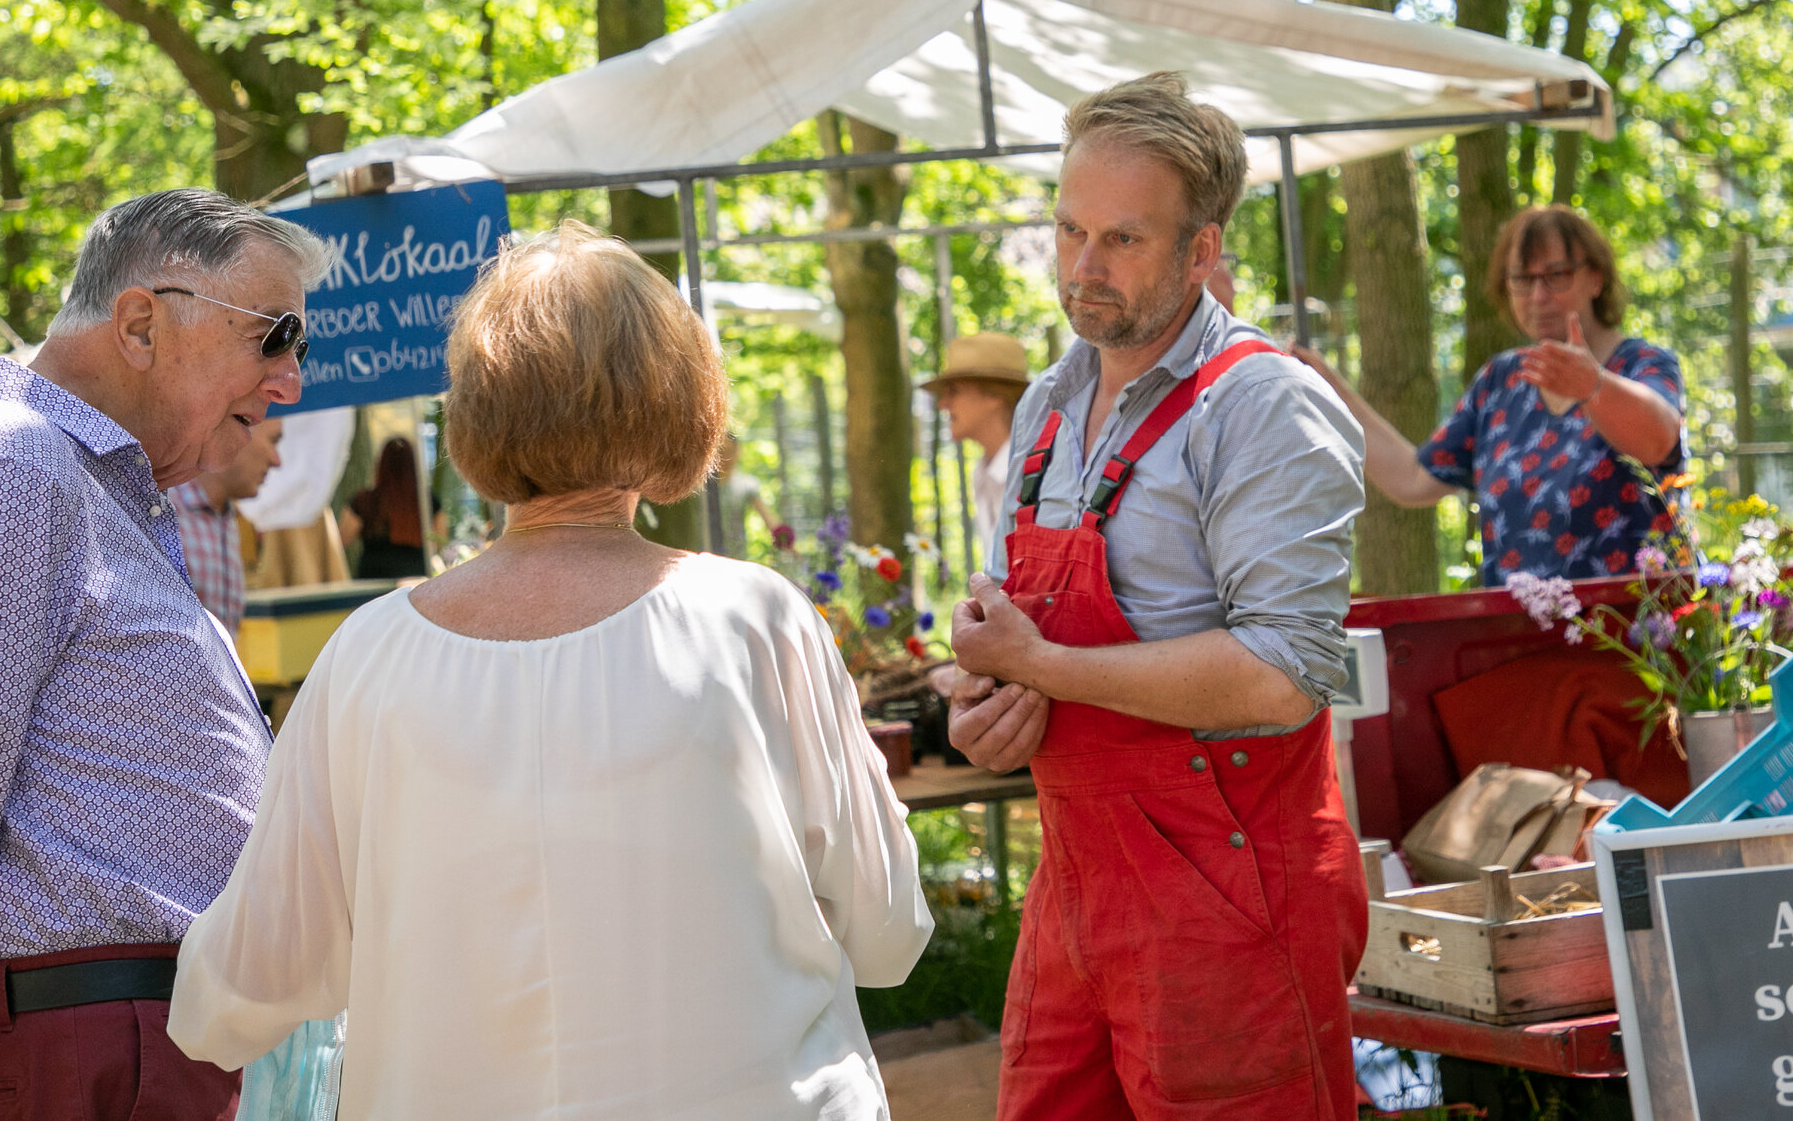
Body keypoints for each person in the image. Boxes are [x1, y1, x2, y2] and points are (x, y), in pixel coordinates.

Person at [168, 220, 932, 1120]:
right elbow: (887, 930)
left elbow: (246, 984)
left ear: (476, 409)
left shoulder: (366, 660)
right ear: (684, 400)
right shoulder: (755, 621)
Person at [0, 188, 325, 1121]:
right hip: (84, 1052)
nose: (289, 381)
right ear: (141, 323)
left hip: (120, 1046)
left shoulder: (63, 482)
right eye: (274, 336)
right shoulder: (13, 468)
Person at [948, 72, 1370, 1121]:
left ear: (1202, 249)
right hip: (1074, 890)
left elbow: (1281, 676)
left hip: (1231, 901)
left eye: (1123, 240)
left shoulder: (1263, 405)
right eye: (1068, 230)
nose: (1083, 269)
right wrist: (991, 706)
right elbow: (1021, 643)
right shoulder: (1047, 404)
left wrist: (1043, 666)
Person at [1295, 203, 1684, 585]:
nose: (1538, 296)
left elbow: (1658, 440)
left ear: (1596, 278)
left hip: (1635, 640)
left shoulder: (1643, 364)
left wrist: (1592, 385)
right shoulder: (1500, 382)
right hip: (1514, 638)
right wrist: (1328, 390)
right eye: (1522, 279)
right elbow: (1412, 480)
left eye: (1556, 276)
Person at [919, 331, 1032, 574]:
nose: (942, 404)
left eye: (954, 391)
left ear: (994, 394)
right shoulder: (983, 473)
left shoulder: (1035, 473)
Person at [168, 416, 285, 632]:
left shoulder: (226, 518)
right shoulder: (163, 513)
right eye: (273, 441)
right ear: (236, 432)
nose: (276, 460)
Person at [340, 436, 425, 578]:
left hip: (373, 580)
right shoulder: (426, 501)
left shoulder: (364, 501)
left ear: (382, 464)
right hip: (414, 578)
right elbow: (438, 541)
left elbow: (341, 540)